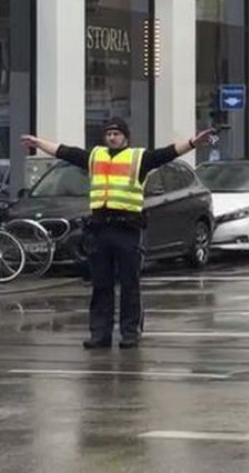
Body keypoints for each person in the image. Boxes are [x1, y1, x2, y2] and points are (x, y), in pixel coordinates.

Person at [21, 119, 215, 350]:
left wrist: (193, 142)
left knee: (129, 285)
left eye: (116, 133)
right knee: (101, 285)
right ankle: (99, 335)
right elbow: (66, 152)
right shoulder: (95, 157)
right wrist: (38, 143)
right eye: (109, 133)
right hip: (100, 229)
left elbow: (167, 154)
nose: (112, 137)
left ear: (125, 137)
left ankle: (130, 333)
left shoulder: (138, 158)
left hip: (127, 230)